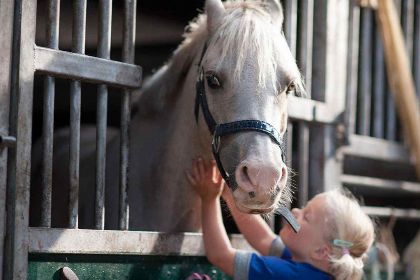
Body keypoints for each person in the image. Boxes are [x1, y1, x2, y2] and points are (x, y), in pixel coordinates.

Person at [186, 158, 375, 280]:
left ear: (320, 251)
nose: (295, 211)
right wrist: (229, 195)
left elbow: (220, 256)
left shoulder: (289, 275)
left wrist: (209, 198)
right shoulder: (311, 265)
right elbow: (263, 239)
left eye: (306, 216)